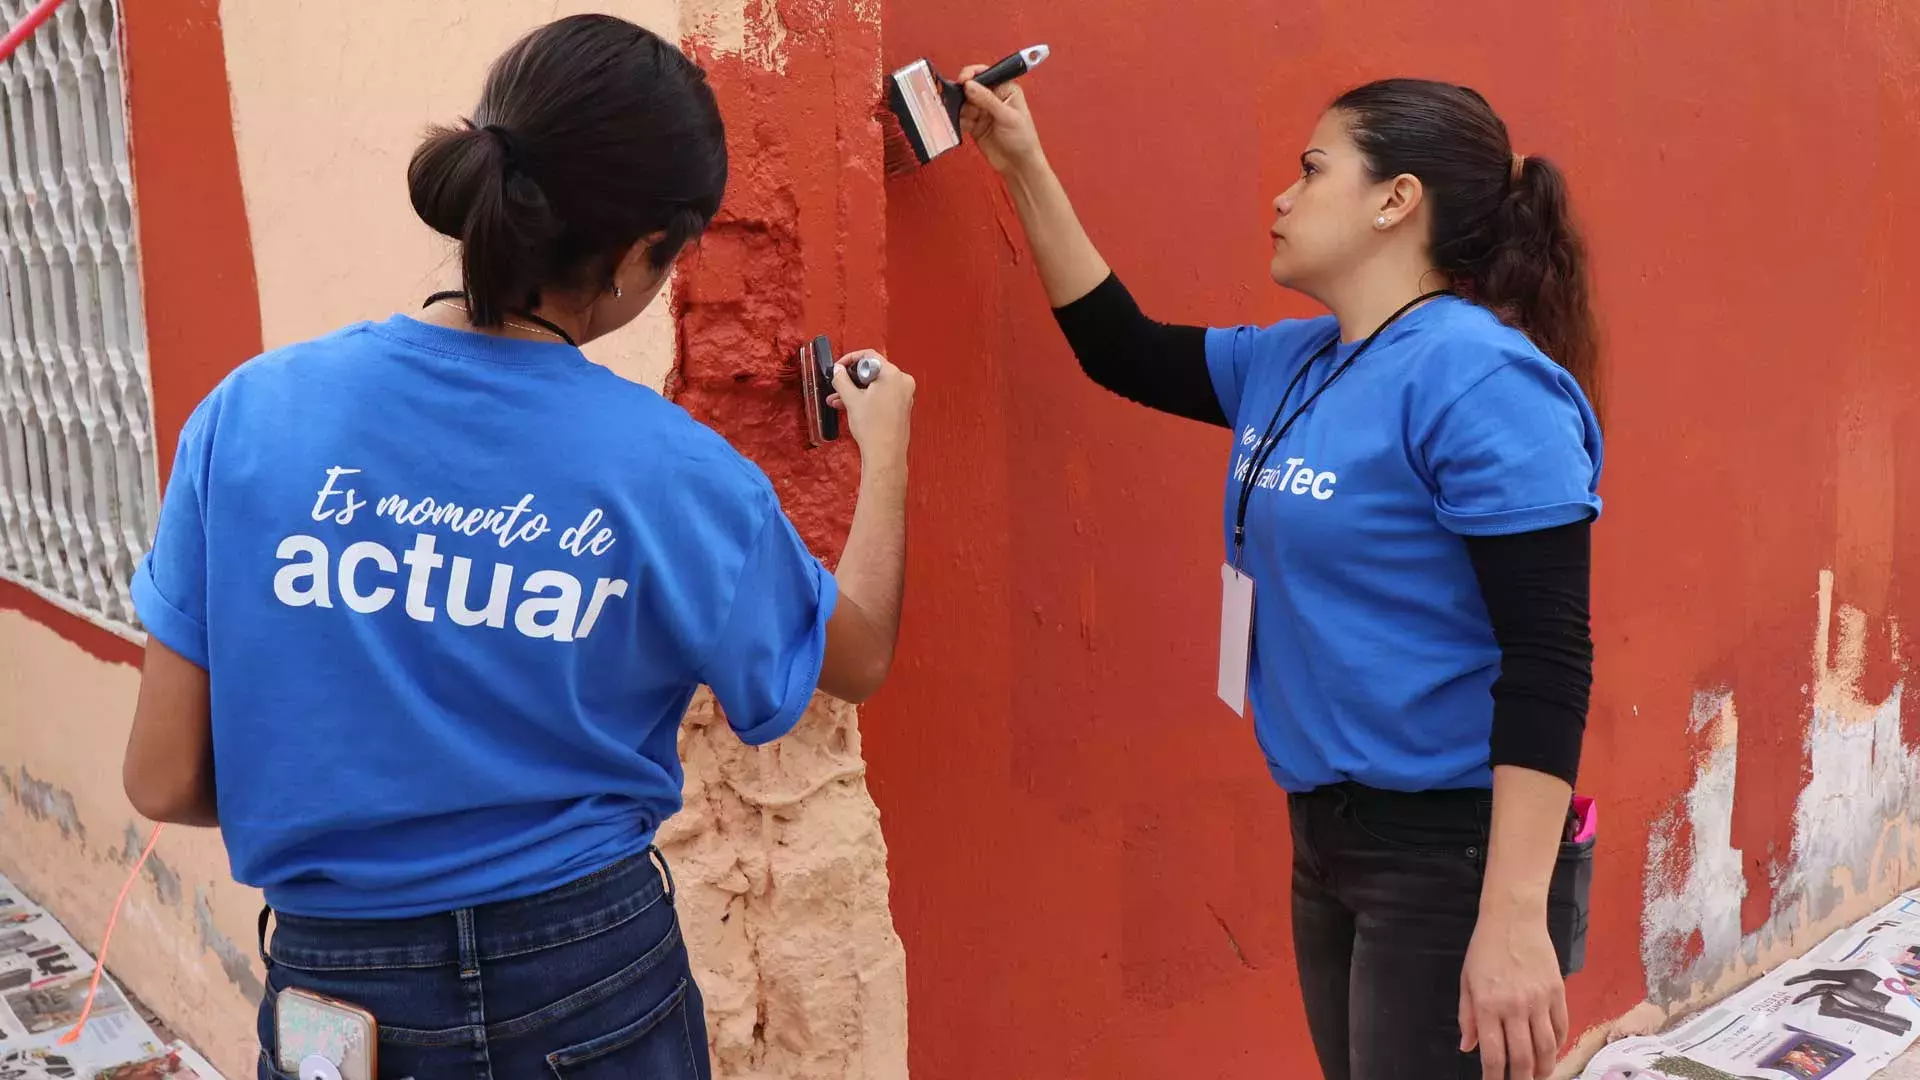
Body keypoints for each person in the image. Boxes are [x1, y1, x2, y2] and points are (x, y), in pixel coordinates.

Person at [119, 15, 914, 1079]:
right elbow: (853, 659)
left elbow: (165, 778)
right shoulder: (675, 472)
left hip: (337, 998)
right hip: (590, 981)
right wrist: (891, 446)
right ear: (641, 256)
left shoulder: (247, 418)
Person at [960, 70, 1601, 1080]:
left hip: (1453, 848)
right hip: (1328, 826)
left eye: (1312, 170)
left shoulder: (1482, 381)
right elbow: (1119, 348)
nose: (1282, 196)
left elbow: (1551, 658)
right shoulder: (1296, 362)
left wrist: (1515, 920)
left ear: (1397, 201)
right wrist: (1024, 165)